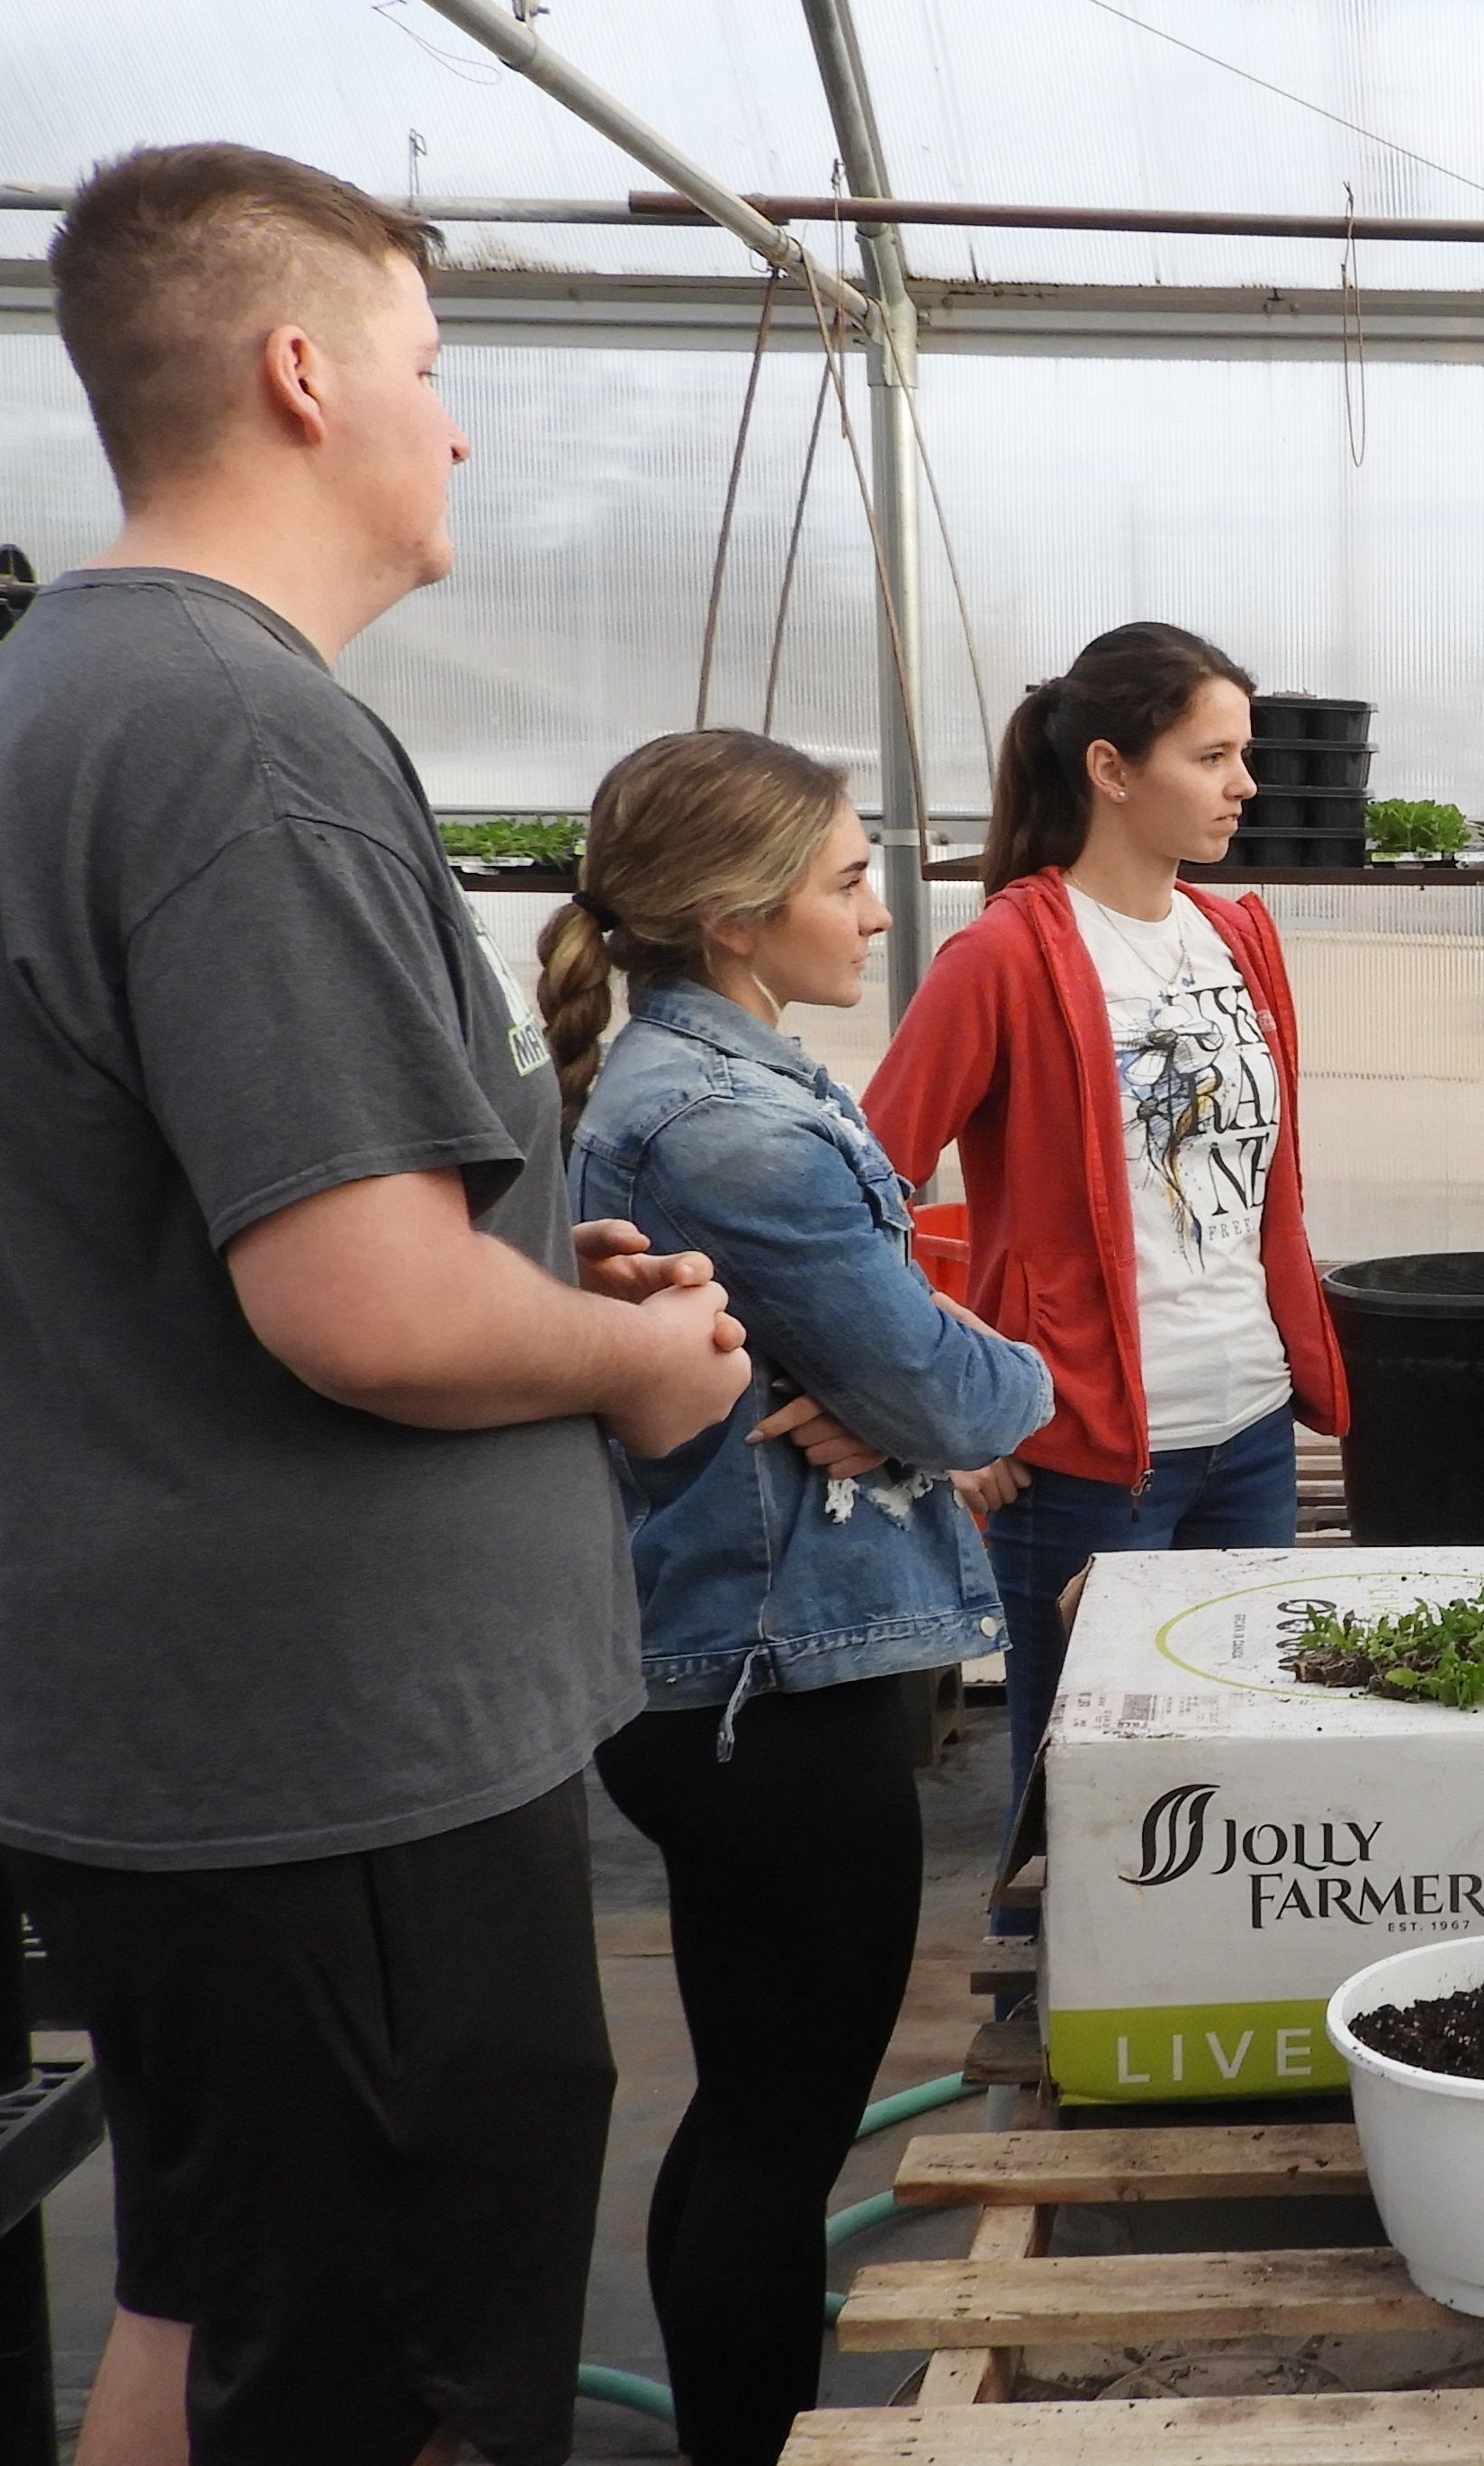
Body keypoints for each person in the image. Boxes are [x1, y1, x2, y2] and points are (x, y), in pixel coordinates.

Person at [0, 146, 751, 2466]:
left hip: (146, 1721)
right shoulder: (235, 733)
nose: (454, 427)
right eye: (431, 370)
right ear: (300, 376)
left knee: (205, 2305)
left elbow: (185, 1224)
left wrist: (518, 1284)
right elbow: (358, 1305)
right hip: (315, 1758)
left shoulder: (45, 700)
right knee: (390, 2384)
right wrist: (640, 1362)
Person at [549, 732, 1053, 2466]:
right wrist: (990, 1385)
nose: (877, 914)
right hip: (776, 1694)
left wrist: (910, 1387)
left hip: (736, 1682)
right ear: (733, 918)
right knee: (780, 2128)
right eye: (845, 881)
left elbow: (898, 1376)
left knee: (751, 2112)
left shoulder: (695, 1084)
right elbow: (951, 1394)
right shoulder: (728, 1131)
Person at [861, 622, 1349, 1831]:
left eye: (1244, 753)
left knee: (1242, 1749)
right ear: (1111, 770)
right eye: (1213, 754)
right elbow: (856, 1191)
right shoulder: (1005, 958)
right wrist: (943, 1411)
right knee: (1077, 1780)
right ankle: (1052, 1995)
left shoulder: (1236, 937)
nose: (1246, 783)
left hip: (1247, 1427)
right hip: (1080, 1453)